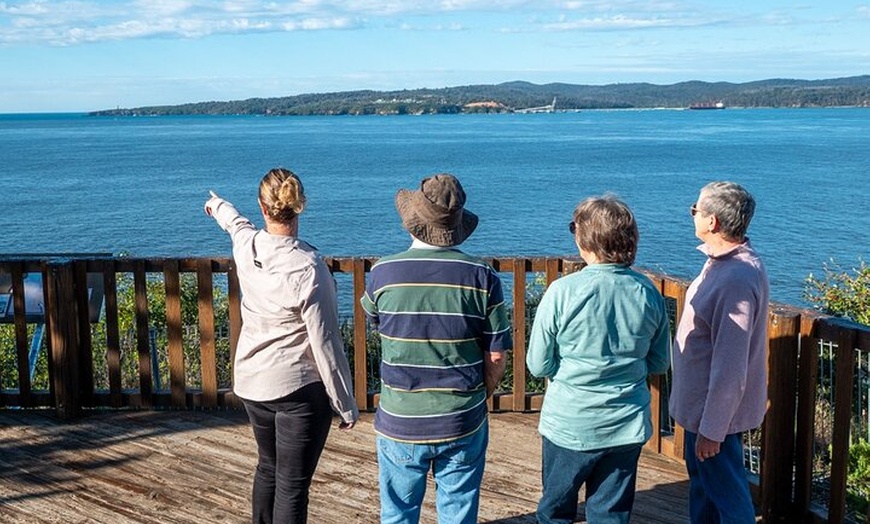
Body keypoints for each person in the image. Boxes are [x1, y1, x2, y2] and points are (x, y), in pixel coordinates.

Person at [204, 167, 359, 524]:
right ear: (300, 205)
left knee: (267, 469)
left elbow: (234, 222)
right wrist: (345, 403)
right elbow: (326, 343)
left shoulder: (248, 246)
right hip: (297, 391)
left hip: (254, 385)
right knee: (291, 486)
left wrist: (215, 205)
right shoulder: (309, 268)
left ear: (263, 207)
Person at [360, 173, 512, 524]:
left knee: (397, 513)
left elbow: (376, 324)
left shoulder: (383, 273)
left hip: (400, 417)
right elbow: (497, 355)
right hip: (462, 416)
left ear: (413, 222)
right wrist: (479, 393)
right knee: (458, 511)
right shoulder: (482, 276)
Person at [526, 195, 671, 524]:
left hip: (569, 422)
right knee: (610, 514)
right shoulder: (648, 292)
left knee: (555, 510)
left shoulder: (562, 292)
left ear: (585, 238)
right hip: (626, 424)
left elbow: (538, 364)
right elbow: (660, 363)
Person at [669, 181, 769, 524]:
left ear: (712, 222)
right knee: (705, 489)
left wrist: (713, 429)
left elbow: (730, 365)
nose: (692, 214)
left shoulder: (735, 278)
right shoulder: (725, 264)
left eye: (695, 210)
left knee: (729, 498)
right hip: (704, 409)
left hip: (714, 416)